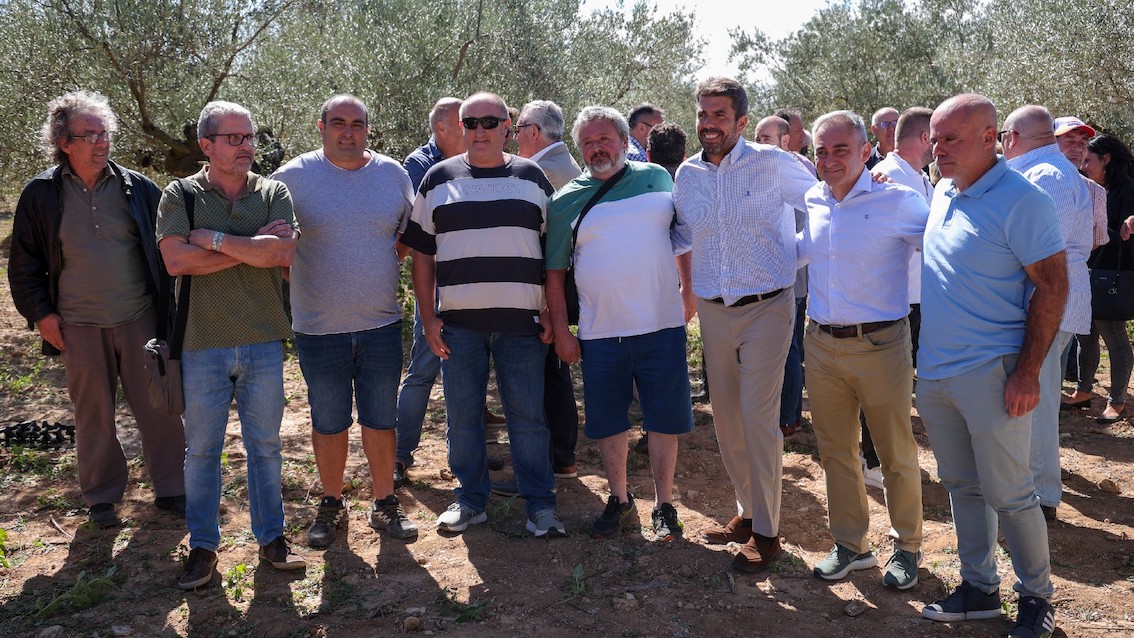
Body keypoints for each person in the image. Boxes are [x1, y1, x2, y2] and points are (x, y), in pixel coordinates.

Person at [918, 93, 1064, 638]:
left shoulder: (1022, 200)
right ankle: (979, 588)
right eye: (934, 138)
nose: (939, 148)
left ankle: (1036, 598)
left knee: (1011, 493)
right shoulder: (942, 192)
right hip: (936, 372)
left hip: (994, 372)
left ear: (991, 138)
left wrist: (1027, 373)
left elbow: (1052, 288)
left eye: (951, 138)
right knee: (962, 486)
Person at [8, 90, 186, 529]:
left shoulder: (139, 188)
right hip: (77, 324)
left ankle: (173, 488)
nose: (100, 141)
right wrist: (42, 315)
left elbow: (167, 251)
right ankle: (102, 497)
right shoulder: (42, 194)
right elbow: (24, 262)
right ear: (64, 142)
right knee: (93, 414)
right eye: (88, 134)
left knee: (160, 407)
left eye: (103, 132)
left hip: (140, 318)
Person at [401, 92, 565, 537]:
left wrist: (552, 309)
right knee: (462, 415)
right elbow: (421, 255)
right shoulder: (437, 178)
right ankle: (471, 500)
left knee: (528, 417)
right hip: (458, 326)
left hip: (523, 325)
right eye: (469, 123)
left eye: (488, 122)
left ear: (507, 125)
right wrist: (429, 316)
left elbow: (554, 252)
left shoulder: (532, 177)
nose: (478, 131)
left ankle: (540, 506)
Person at [157, 101, 304, 589]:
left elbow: (282, 253)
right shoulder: (180, 194)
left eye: (250, 138)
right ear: (206, 145)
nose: (247, 147)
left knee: (266, 446)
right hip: (201, 343)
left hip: (263, 340)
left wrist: (214, 240)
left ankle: (272, 538)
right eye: (234, 139)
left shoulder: (274, 191)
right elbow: (176, 262)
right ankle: (203, 547)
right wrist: (249, 248)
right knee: (202, 451)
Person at [674, 78, 815, 572]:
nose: (708, 124)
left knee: (758, 419)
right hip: (714, 309)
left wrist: (794, 259)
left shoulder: (774, 163)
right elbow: (681, 232)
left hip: (768, 307)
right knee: (728, 419)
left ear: (741, 122)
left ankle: (769, 535)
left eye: (719, 115)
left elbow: (822, 204)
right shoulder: (688, 175)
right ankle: (748, 513)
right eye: (703, 114)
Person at [272, 95, 417, 548]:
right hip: (318, 328)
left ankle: (384, 502)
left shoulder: (393, 175)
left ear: (368, 130)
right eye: (338, 123)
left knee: (381, 418)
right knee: (329, 420)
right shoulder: (291, 178)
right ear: (321, 127)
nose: (348, 132)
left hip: (381, 324)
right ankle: (332, 504)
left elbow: (406, 235)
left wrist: (376, 264)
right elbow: (274, 249)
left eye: (357, 124)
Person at [546, 106, 695, 542]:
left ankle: (665, 505)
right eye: (588, 143)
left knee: (664, 420)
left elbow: (681, 235)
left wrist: (688, 291)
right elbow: (553, 274)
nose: (597, 149)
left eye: (604, 139)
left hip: (661, 325)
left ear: (624, 139)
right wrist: (561, 331)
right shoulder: (564, 201)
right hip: (600, 333)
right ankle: (621, 500)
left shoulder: (658, 178)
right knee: (609, 423)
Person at [801, 110, 928, 590]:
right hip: (821, 343)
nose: (829, 159)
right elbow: (804, 250)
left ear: (863, 151)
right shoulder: (813, 197)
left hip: (880, 344)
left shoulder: (897, 200)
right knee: (836, 451)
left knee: (896, 452)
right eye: (821, 150)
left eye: (840, 149)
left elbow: (940, 247)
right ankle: (852, 546)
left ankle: (909, 547)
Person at [396, 97, 501, 489]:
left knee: (470, 376)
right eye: (466, 123)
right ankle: (399, 455)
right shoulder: (419, 167)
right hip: (440, 287)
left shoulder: (472, 164)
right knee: (423, 370)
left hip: (468, 285)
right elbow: (414, 238)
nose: (476, 130)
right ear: (443, 128)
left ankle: (469, 454)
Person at [1001, 105, 1093, 521]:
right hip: (1052, 297)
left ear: (1013, 137)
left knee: (1036, 398)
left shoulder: (1047, 176)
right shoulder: (1052, 172)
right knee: (1038, 395)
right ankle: (1039, 492)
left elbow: (1041, 248)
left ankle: (1041, 497)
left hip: (1049, 299)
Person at [508, 99, 582, 486]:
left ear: (533, 132)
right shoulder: (565, 166)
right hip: (563, 283)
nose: (513, 136)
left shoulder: (539, 170)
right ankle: (562, 456)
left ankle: (554, 459)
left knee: (543, 374)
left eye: (516, 128)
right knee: (554, 373)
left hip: (546, 286)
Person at [754, 114, 812, 437]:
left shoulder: (797, 170)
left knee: (788, 347)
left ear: (785, 141)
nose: (758, 143)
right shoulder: (758, 168)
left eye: (766, 137)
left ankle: (789, 417)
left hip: (793, 275)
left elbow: (805, 223)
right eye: (757, 137)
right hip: (768, 276)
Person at [1075, 135, 1134, 424]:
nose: (1083, 166)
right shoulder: (1095, 189)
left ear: (1107, 159)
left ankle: (1117, 401)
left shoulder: (1128, 190)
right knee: (1084, 334)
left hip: (1112, 275)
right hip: (1089, 271)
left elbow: (1124, 235)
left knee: (1114, 338)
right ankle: (1083, 391)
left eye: (1089, 160)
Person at [774, 108, 817, 176]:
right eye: (798, 131)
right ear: (783, 134)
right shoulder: (761, 164)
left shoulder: (805, 165)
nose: (804, 135)